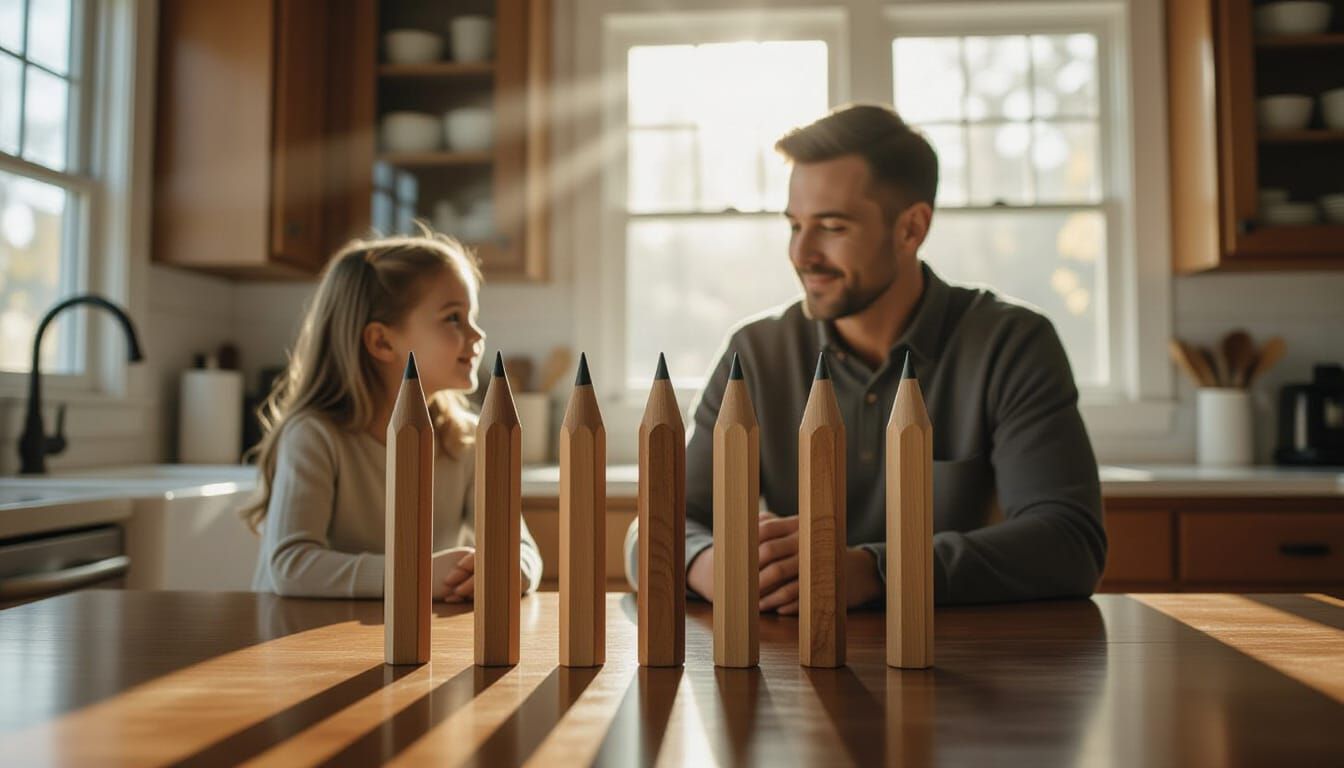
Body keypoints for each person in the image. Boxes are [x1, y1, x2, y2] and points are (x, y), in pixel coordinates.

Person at [626, 103, 1106, 608]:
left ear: (911, 229)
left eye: (832, 227)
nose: (802, 254)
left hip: (965, 663)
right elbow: (656, 529)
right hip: (796, 664)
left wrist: (875, 570)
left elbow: (1070, 544)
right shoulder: (756, 352)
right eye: (795, 226)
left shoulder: (1012, 344)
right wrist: (710, 567)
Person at [245, 230, 543, 600]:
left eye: (473, 316)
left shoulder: (468, 440)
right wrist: (412, 576)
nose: (477, 333)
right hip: (298, 644)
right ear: (382, 341)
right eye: (453, 318)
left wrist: (513, 570)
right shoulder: (315, 436)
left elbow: (521, 548)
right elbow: (290, 566)